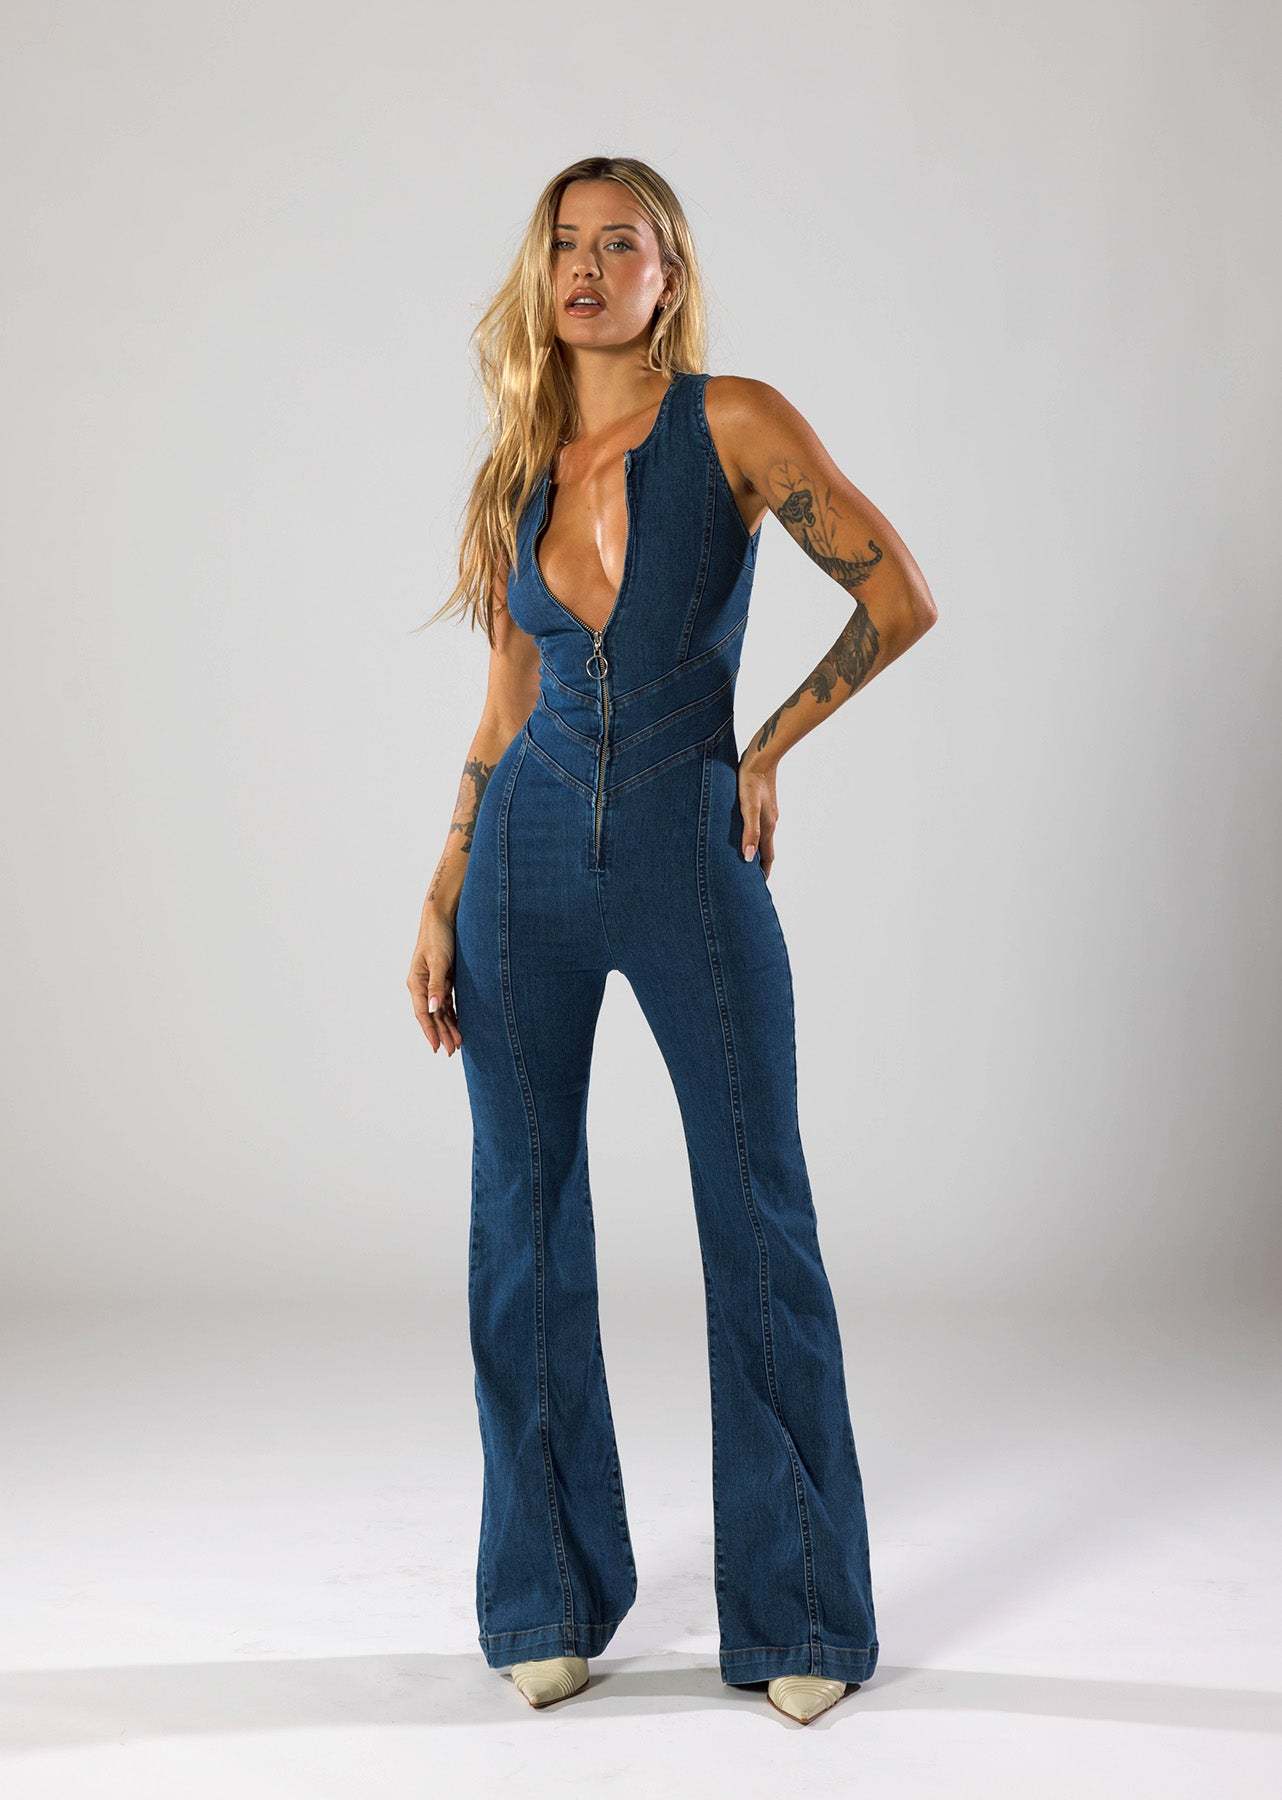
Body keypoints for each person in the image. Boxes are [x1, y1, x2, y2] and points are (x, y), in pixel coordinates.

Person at [408, 155, 937, 1725]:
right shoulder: (519, 472)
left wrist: (765, 746)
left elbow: (897, 597)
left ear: (667, 273)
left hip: (685, 856)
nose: (584, 269)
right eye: (562, 245)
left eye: (616, 244)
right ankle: (546, 1595)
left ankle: (800, 1612)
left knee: (755, 1205)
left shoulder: (733, 423)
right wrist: (438, 889)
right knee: (519, 1220)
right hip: (519, 873)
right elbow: (503, 707)